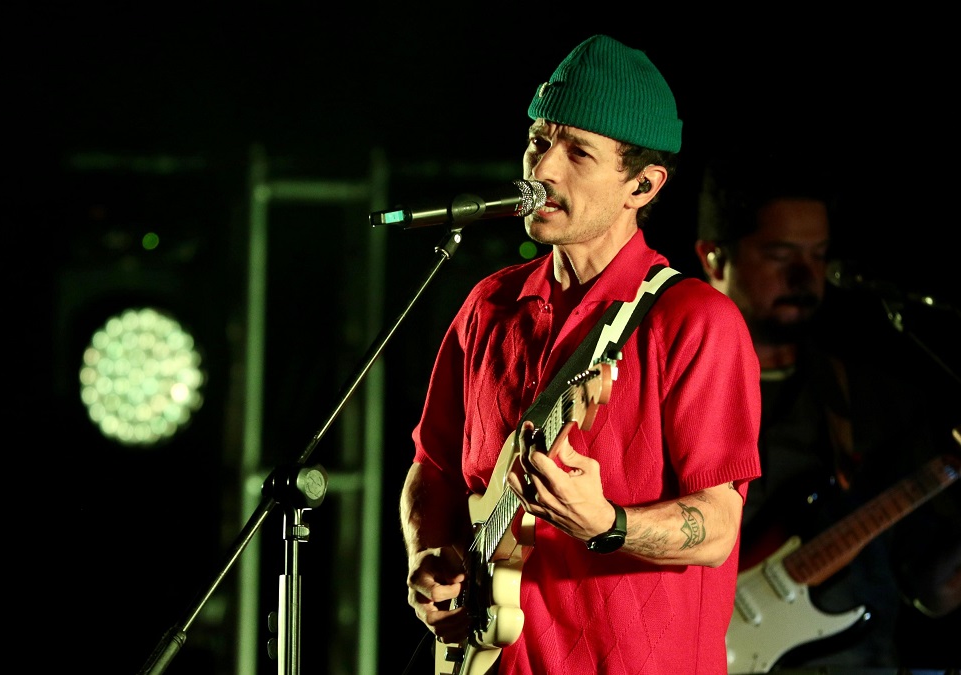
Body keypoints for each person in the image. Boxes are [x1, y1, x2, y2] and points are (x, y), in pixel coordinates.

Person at [398, 34, 763, 675]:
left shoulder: (697, 321)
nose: (541, 171)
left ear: (643, 186)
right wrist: (429, 555)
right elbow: (433, 469)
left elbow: (718, 527)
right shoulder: (490, 305)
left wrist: (611, 523)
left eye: (578, 153)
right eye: (540, 140)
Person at [694, 148, 961, 670]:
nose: (804, 275)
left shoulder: (878, 401)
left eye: (818, 255)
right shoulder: (663, 387)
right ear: (713, 257)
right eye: (780, 254)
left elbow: (937, 589)